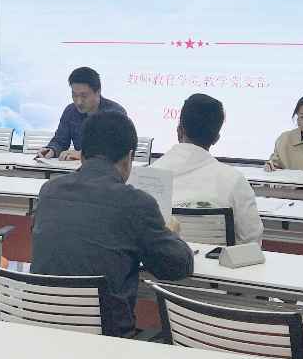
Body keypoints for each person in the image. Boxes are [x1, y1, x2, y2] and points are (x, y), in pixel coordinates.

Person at [32, 110, 194, 337]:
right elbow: (177, 267)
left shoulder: (49, 191)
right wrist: (171, 234)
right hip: (107, 344)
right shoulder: (136, 203)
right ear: (129, 157)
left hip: (40, 331)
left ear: (83, 154)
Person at [151, 93, 263, 245]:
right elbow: (252, 242)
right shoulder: (234, 180)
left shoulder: (147, 177)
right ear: (216, 139)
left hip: (160, 260)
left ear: (179, 131)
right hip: (217, 261)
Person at [38, 67, 125, 161]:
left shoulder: (116, 113)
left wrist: (85, 154)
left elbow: (118, 149)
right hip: (77, 168)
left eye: (84, 96)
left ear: (98, 91)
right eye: (74, 95)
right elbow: (60, 141)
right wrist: (52, 150)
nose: (78, 102)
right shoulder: (70, 111)